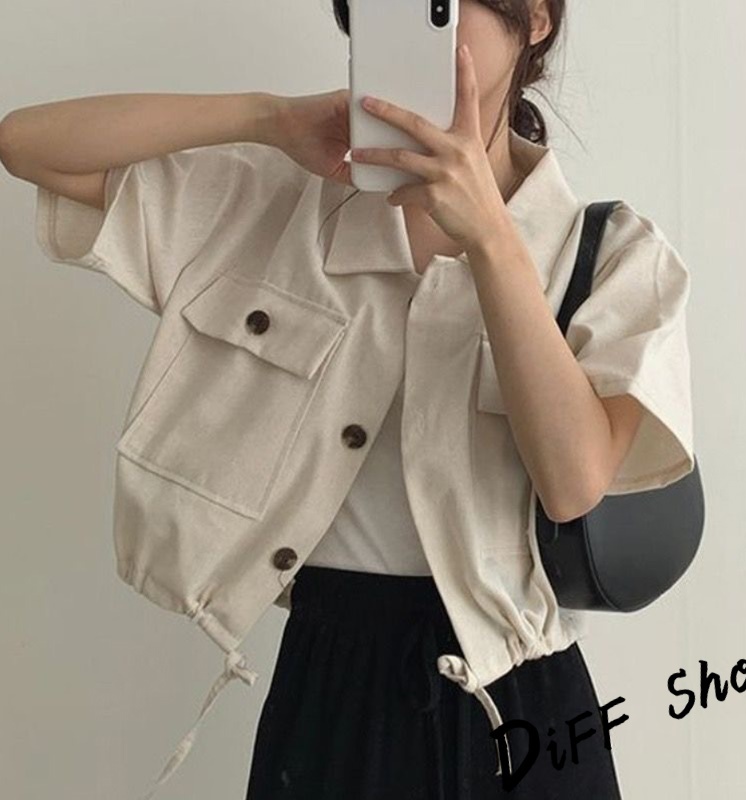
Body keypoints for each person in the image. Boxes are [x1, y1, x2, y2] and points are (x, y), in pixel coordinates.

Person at [0, 0, 695, 797]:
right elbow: (26, 145)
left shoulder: (614, 258)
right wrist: (268, 119)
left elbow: (573, 485)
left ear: (535, 17)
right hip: (328, 689)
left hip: (520, 708)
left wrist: (491, 238)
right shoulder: (275, 207)